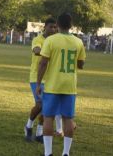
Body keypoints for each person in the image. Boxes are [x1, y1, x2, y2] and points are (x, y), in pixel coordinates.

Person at [36, 13, 86, 156]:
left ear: (57, 24)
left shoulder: (51, 40)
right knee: (68, 119)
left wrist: (39, 83)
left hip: (53, 85)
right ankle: (65, 153)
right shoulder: (78, 42)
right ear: (71, 25)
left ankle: (48, 153)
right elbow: (81, 64)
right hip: (69, 86)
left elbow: (43, 63)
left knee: (48, 117)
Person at [25, 18, 61, 143]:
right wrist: (44, 53)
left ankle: (39, 132)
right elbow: (36, 50)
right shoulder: (38, 39)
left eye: (55, 27)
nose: (53, 29)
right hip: (37, 77)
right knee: (40, 105)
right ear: (45, 27)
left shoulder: (55, 41)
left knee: (47, 108)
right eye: (51, 27)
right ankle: (28, 126)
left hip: (51, 78)